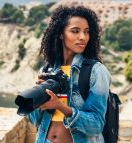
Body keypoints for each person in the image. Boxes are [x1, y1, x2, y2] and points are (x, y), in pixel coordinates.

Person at [27, 6, 111, 143]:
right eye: (75, 31)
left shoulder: (96, 71)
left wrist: (60, 106)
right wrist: (38, 97)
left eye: (86, 32)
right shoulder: (47, 70)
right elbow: (34, 120)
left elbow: (96, 125)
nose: (83, 37)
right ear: (61, 34)